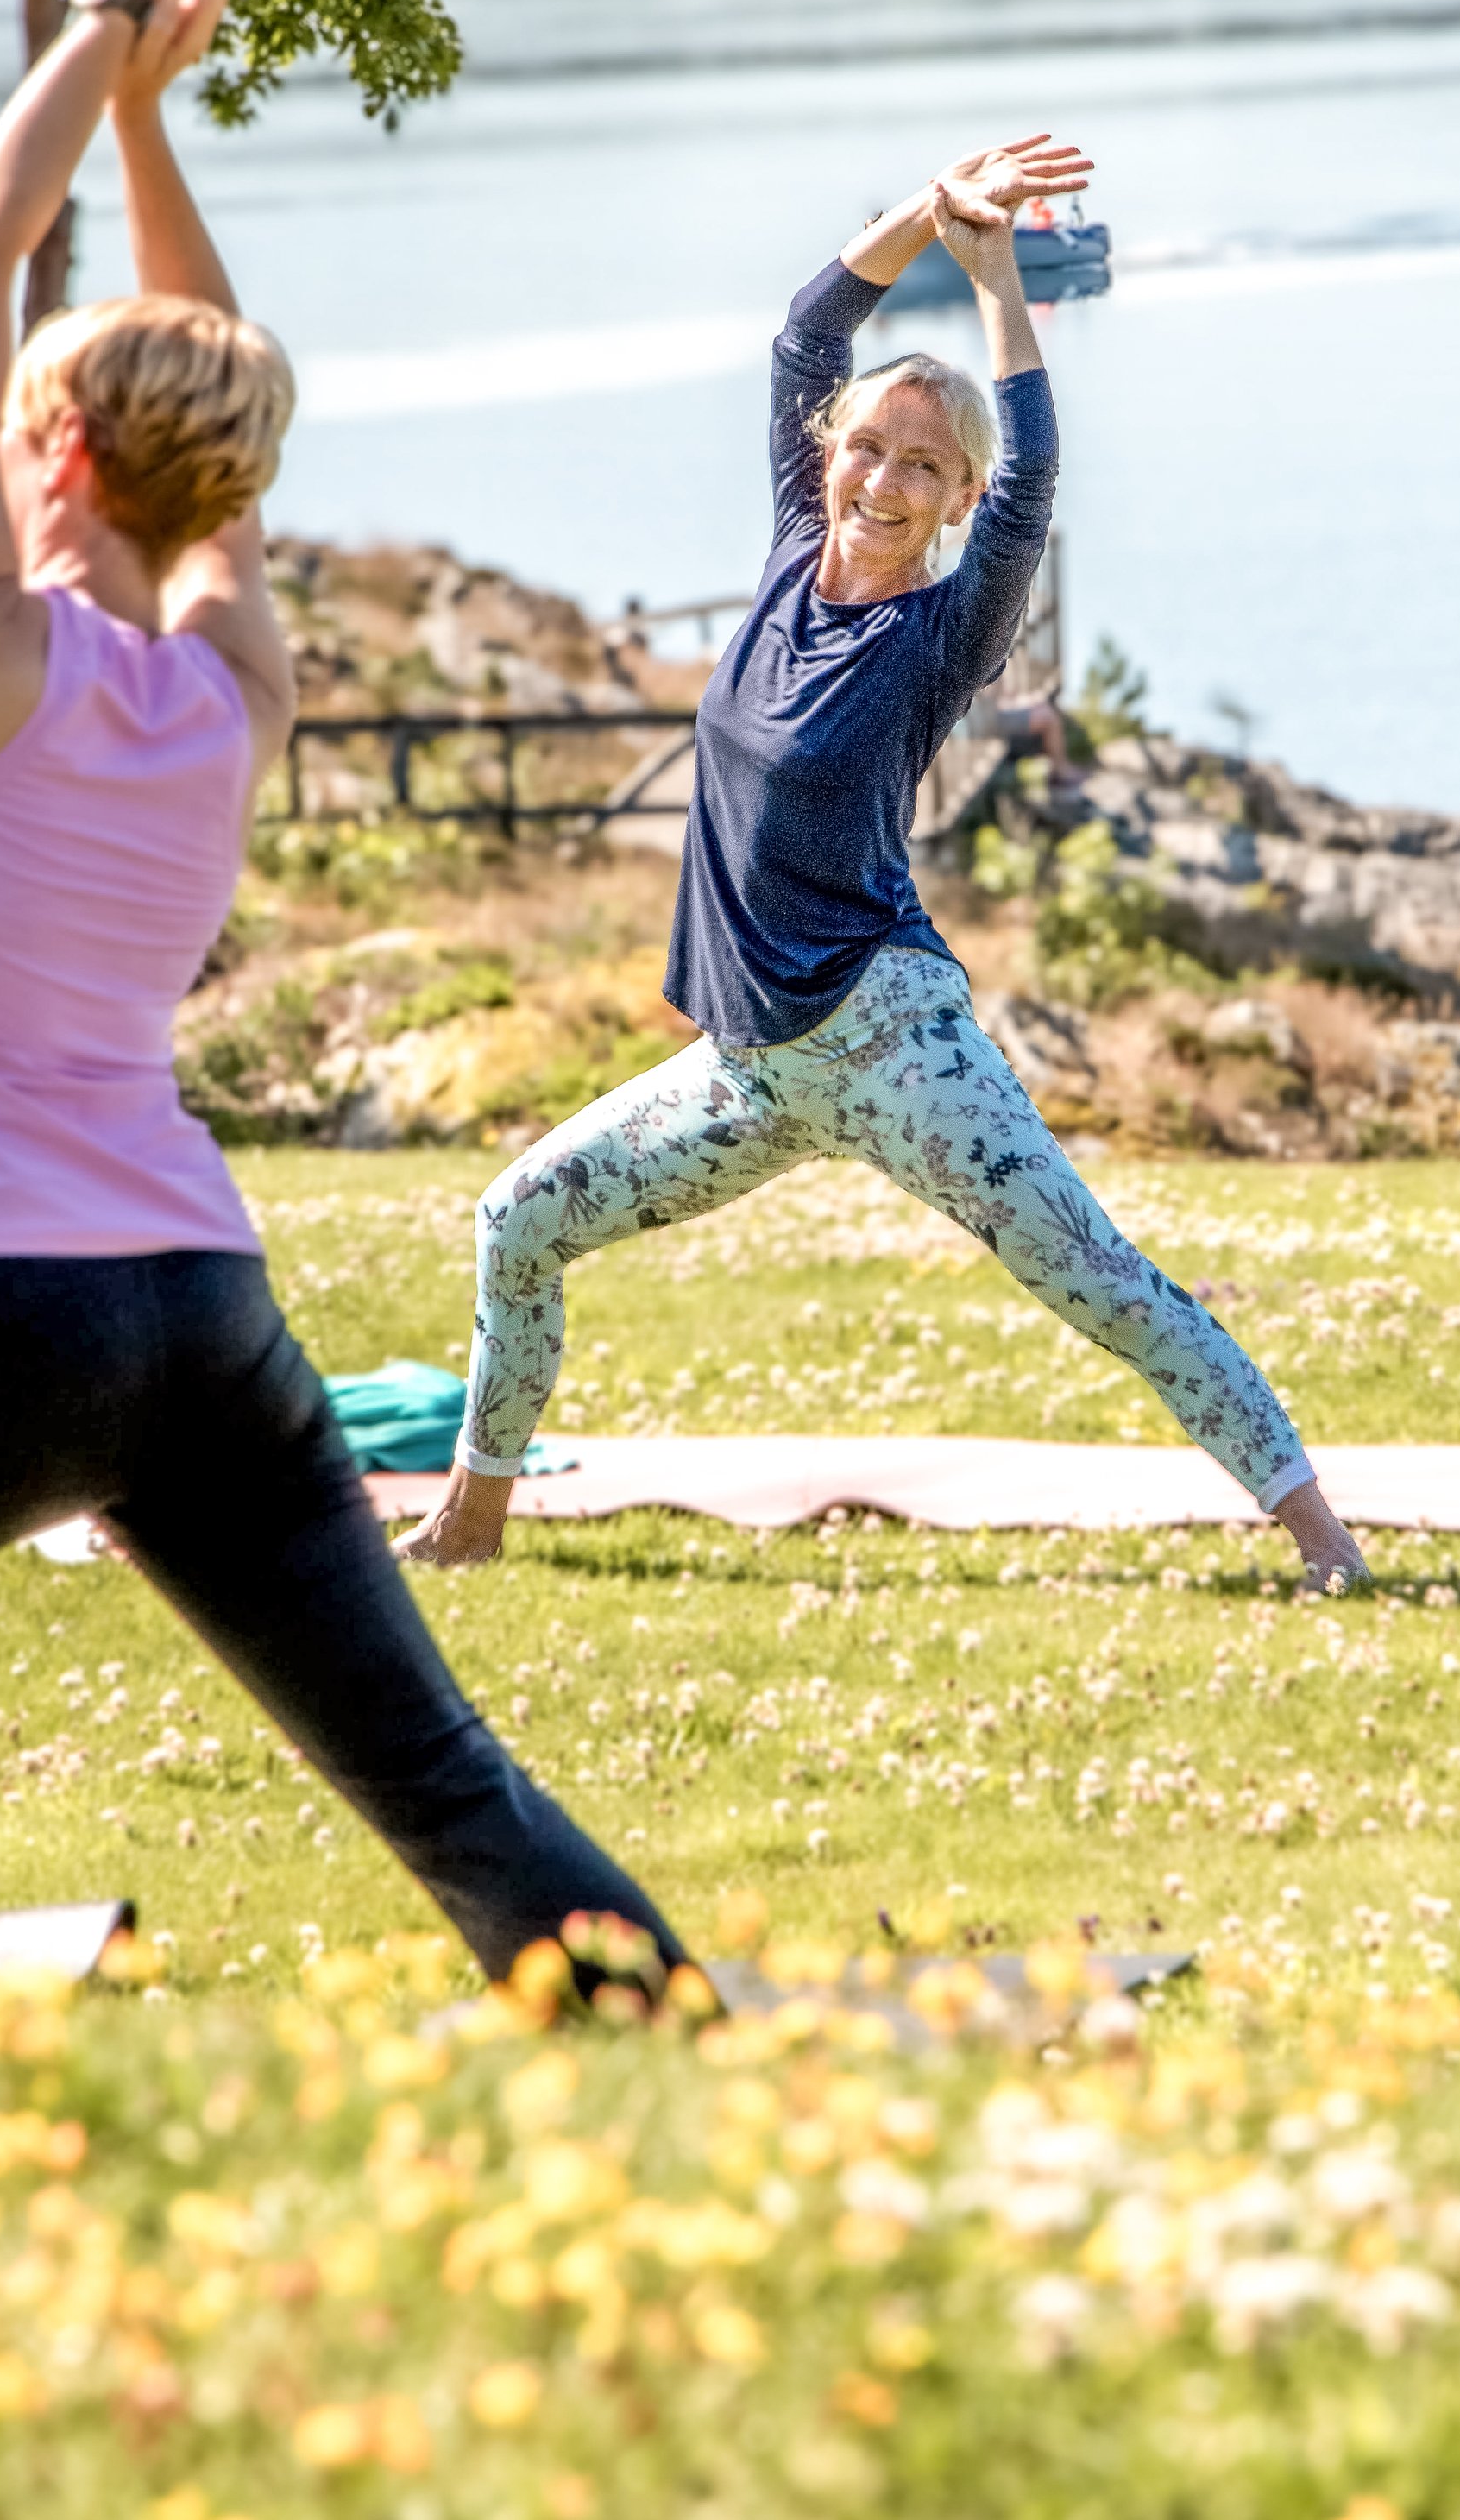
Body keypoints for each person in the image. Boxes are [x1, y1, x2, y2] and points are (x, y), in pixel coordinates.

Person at [0, 0, 689, 2001]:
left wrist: (124, 6)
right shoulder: (229, 688)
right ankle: (665, 2031)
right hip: (203, 1312)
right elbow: (215, 435)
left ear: (50, 446)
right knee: (435, 1773)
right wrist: (149, 119)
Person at [400, 138, 1369, 1591]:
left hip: (888, 1043)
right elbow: (805, 336)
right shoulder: (797, 547)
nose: (884, 476)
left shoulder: (939, 636)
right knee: (518, 1217)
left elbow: (1037, 474)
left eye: (926, 465)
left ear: (957, 497)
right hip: (747, 1072)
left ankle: (1325, 1541)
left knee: (1100, 1286)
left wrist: (993, 283)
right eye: (868, 446)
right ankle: (473, 1516)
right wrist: (929, 209)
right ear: (828, 454)